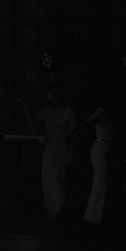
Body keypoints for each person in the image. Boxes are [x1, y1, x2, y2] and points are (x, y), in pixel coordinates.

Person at [28, 89, 77, 222]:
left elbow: (74, 133)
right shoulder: (48, 110)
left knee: (57, 178)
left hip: (61, 147)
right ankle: (48, 210)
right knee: (46, 177)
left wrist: (70, 151)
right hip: (49, 146)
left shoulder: (67, 111)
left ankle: (57, 211)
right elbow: (36, 120)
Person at [79, 105, 115, 225]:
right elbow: (91, 120)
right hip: (101, 148)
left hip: (105, 148)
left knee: (102, 183)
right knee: (100, 183)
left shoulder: (106, 113)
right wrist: (81, 127)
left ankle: (98, 217)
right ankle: (93, 218)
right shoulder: (101, 111)